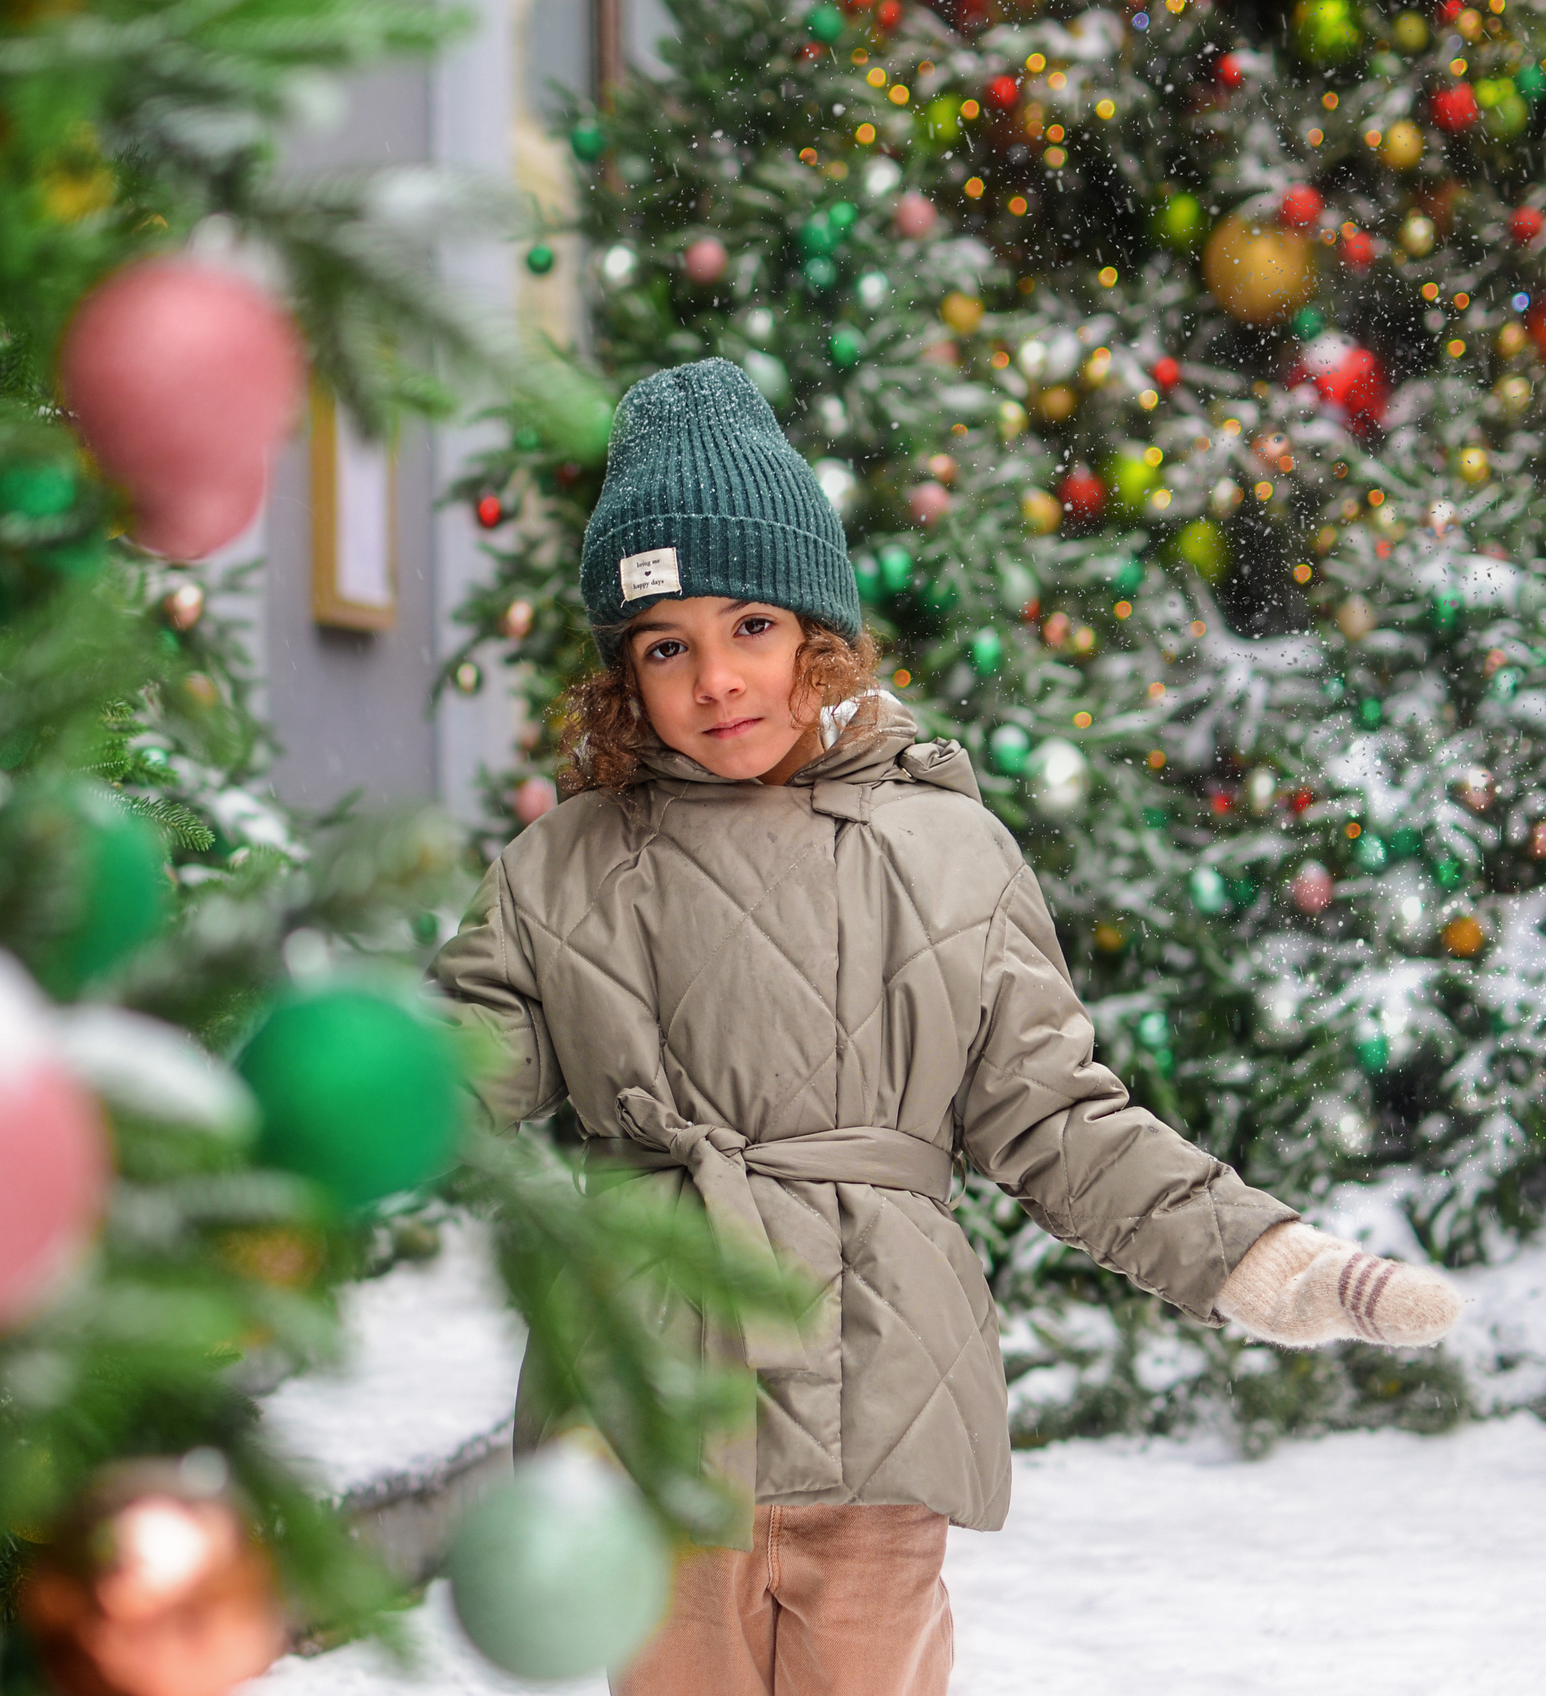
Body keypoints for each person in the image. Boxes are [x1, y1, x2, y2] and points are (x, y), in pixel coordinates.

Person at [433, 359, 1461, 1696]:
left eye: (750, 625)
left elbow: (1056, 1117)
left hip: (884, 1398)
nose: (716, 678)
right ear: (626, 672)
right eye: (665, 644)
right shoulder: (560, 868)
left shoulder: (946, 848)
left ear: (817, 633)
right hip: (651, 1408)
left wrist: (1265, 1260)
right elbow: (440, 1084)